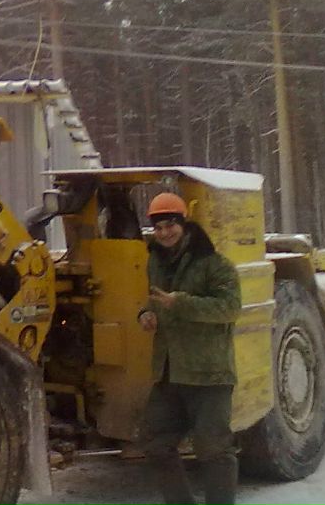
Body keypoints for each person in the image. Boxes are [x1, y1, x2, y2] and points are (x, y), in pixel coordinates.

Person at [138, 192, 241, 505]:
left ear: (184, 224)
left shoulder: (214, 264)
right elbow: (153, 300)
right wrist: (146, 315)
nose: (164, 233)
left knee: (213, 449)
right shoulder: (155, 262)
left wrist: (181, 303)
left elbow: (229, 308)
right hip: (169, 372)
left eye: (170, 225)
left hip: (209, 373)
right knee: (156, 444)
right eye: (158, 227)